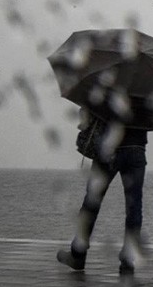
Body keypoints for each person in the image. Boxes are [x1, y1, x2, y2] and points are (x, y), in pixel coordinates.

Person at [57, 105, 148, 274]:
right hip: (136, 149)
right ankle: (128, 259)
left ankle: (78, 254)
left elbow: (91, 109)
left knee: (91, 202)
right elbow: (152, 119)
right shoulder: (149, 86)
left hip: (109, 148)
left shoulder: (110, 81)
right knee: (134, 206)